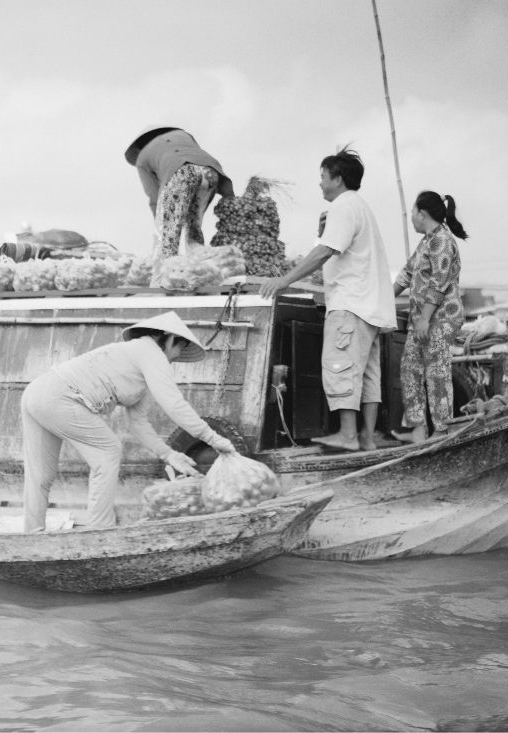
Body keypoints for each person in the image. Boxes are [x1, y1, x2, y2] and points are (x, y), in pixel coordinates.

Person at [21, 312, 239, 530]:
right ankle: (100, 530)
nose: (175, 359)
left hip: (37, 392)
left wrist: (169, 454)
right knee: (108, 450)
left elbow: (138, 423)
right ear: (171, 339)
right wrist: (212, 438)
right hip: (59, 395)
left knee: (41, 475)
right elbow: (174, 404)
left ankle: (32, 533)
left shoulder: (138, 363)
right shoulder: (149, 351)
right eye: (179, 349)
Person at [260, 145, 396, 451]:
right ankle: (366, 437)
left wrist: (284, 280)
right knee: (367, 375)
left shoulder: (343, 206)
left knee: (340, 367)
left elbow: (325, 251)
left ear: (337, 178)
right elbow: (334, 248)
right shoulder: (359, 207)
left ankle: (347, 435)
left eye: (323, 176)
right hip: (371, 309)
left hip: (350, 305)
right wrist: (322, 233)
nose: (320, 183)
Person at [391, 191, 467, 444]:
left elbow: (438, 284)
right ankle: (417, 430)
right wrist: (383, 299)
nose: (411, 217)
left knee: (436, 372)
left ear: (422, 213)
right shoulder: (427, 241)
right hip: (422, 320)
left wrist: (423, 320)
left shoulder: (443, 241)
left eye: (413, 212)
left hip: (441, 318)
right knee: (409, 369)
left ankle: (442, 432)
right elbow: (405, 275)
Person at [125, 126, 237, 258]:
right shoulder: (183, 135)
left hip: (181, 174)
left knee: (167, 239)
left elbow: (154, 195)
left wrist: (161, 223)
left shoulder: (142, 157)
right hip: (210, 173)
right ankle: (198, 261)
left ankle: (166, 270)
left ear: (140, 146)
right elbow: (196, 158)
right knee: (193, 227)